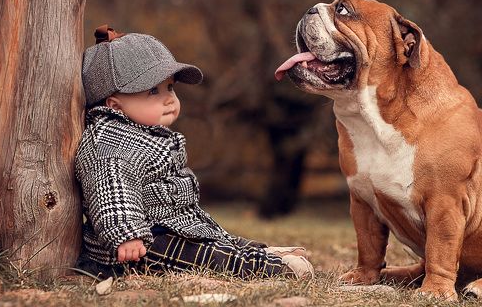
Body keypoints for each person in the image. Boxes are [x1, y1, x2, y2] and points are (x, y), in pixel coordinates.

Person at [75, 24, 313, 280]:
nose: (169, 98)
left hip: (169, 226)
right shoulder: (110, 144)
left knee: (209, 234)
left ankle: (255, 251)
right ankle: (264, 266)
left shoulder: (142, 133)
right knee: (200, 255)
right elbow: (111, 190)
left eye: (170, 87)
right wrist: (127, 234)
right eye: (153, 91)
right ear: (115, 106)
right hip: (139, 246)